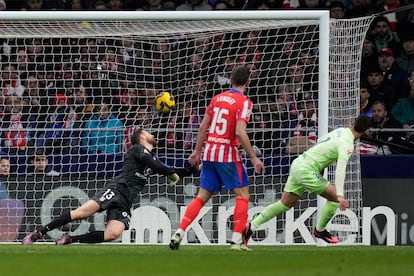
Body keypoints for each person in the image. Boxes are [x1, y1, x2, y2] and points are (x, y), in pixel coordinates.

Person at [22, 129, 200, 245]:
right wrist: (169, 172)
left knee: (113, 233)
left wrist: (193, 170)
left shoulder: (152, 160)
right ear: (142, 137)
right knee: (82, 213)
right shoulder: (137, 149)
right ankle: (39, 233)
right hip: (117, 189)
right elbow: (158, 166)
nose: (152, 134)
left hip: (125, 200)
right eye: (148, 132)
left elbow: (169, 170)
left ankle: (70, 239)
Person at [169, 65, 265, 251]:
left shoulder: (217, 98)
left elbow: (203, 126)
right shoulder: (244, 102)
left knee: (201, 197)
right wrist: (254, 157)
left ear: (230, 80)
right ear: (248, 82)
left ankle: (180, 231)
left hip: (209, 152)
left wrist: (197, 152)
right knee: (242, 195)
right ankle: (237, 240)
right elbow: (239, 131)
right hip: (228, 153)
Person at [242, 114, 372, 245]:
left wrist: (319, 171)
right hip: (307, 170)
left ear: (353, 123)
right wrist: (340, 195)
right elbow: (340, 169)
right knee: (334, 200)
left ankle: (251, 226)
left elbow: (321, 143)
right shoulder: (347, 144)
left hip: (298, 163)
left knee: (285, 204)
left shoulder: (340, 131)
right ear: (366, 130)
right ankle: (320, 230)